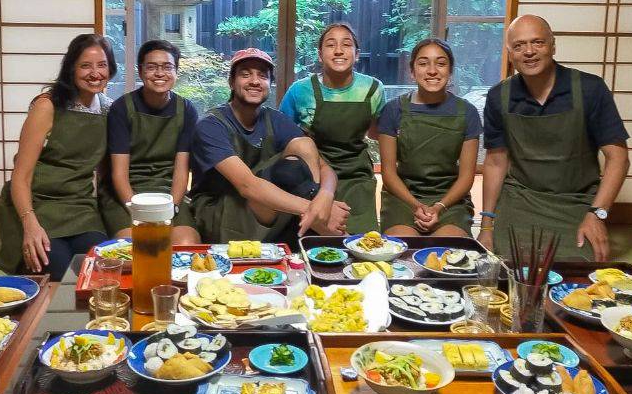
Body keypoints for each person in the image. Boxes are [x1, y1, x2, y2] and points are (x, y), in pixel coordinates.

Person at [478, 14, 630, 261]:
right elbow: (496, 162)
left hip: (577, 201)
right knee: (506, 265)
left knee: (577, 272)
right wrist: (486, 226)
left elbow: (618, 158)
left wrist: (597, 214)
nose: (529, 51)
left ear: (553, 45)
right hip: (522, 200)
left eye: (537, 42)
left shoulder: (589, 89)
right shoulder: (499, 96)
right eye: (519, 46)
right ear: (509, 53)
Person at [190, 48, 350, 243]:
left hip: (265, 205)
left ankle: (314, 226)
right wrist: (314, 209)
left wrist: (324, 198)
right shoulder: (210, 125)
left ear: (270, 84)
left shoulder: (274, 118)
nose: (255, 81)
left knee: (303, 146)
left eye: (262, 76)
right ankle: (321, 228)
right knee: (269, 185)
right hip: (220, 209)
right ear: (231, 82)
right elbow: (248, 186)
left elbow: (324, 167)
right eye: (245, 74)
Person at [0, 34, 116, 281]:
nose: (95, 73)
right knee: (57, 274)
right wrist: (29, 225)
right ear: (71, 68)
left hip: (81, 207)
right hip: (37, 204)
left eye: (102, 65)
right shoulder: (47, 106)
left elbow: (106, 169)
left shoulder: (108, 109)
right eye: (85, 65)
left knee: (99, 272)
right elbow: (21, 175)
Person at [280, 23, 386, 234]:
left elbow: (376, 132)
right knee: (312, 245)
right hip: (312, 176)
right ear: (320, 55)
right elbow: (283, 139)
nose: (338, 50)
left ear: (357, 55)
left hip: (357, 176)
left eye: (346, 44)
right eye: (330, 45)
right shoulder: (300, 91)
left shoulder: (373, 89)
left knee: (363, 244)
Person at [100, 40, 200, 244]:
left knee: (186, 244)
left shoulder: (186, 110)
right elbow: (119, 174)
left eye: (167, 67)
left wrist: (170, 208)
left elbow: (182, 170)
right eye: (152, 67)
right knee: (132, 248)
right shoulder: (122, 108)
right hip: (127, 195)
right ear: (141, 71)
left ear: (176, 70)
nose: (159, 73)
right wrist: (139, 212)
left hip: (168, 194)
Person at [378, 38, 480, 237]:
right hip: (403, 198)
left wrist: (439, 207)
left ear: (450, 71)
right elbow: (388, 173)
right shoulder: (393, 110)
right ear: (412, 71)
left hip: (450, 200)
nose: (432, 71)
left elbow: (467, 176)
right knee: (403, 250)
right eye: (423, 63)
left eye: (441, 63)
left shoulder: (467, 112)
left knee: (450, 254)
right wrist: (416, 206)